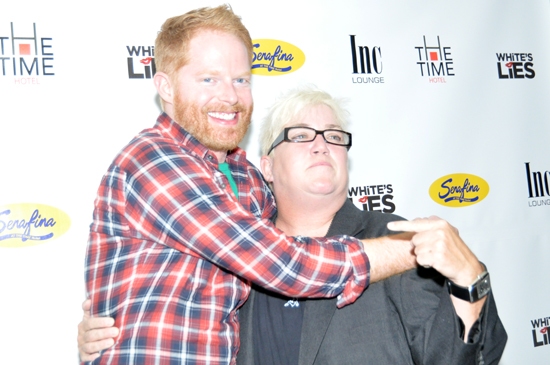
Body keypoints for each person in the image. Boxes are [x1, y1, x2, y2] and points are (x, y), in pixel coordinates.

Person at [83, 5, 417, 365]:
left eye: (241, 79)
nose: (230, 96)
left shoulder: (247, 177)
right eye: (209, 79)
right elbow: (280, 262)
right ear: (165, 86)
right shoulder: (152, 161)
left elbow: (293, 231)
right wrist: (415, 250)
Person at [80, 86, 507, 364]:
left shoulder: (398, 237)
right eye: (301, 135)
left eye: (334, 136)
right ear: (265, 165)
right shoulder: (230, 256)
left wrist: (472, 282)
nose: (322, 145)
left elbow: (462, 357)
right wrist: (107, 333)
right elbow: (166, 319)